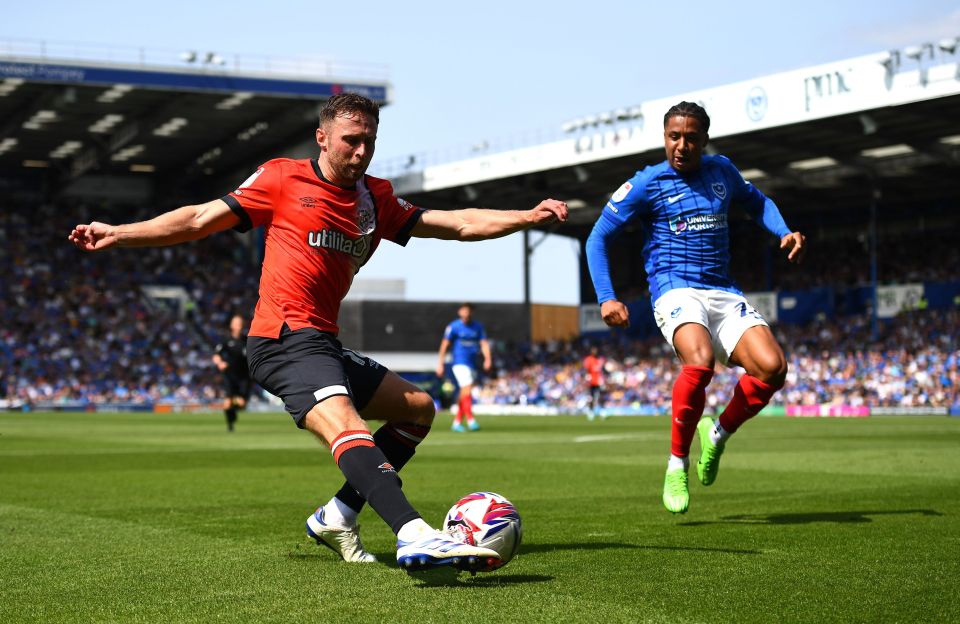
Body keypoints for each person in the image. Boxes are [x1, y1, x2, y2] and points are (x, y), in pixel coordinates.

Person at [69, 92, 568, 571]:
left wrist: (526, 215)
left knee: (417, 409)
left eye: (370, 140)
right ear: (322, 138)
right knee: (346, 424)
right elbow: (200, 218)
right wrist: (121, 233)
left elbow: (457, 223)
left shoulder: (376, 197)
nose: (362, 150)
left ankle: (338, 516)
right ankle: (413, 531)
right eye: (351, 139)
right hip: (281, 338)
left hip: (321, 341)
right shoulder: (282, 178)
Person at [585, 101, 805, 514]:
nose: (681, 145)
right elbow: (598, 237)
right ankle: (675, 464)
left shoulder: (722, 170)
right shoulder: (647, 183)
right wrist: (606, 296)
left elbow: (757, 202)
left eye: (690, 137)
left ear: (703, 138)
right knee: (700, 363)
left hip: (722, 290)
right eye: (673, 137)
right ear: (664, 138)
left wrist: (784, 230)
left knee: (773, 369)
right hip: (674, 289)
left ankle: (717, 434)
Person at [436, 303, 491, 432]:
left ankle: (457, 422)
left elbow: (484, 344)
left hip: (472, 363)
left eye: (468, 311)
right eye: (464, 311)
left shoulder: (478, 327)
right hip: (459, 362)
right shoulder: (453, 327)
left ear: (471, 312)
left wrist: (488, 359)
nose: (466, 313)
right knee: (466, 389)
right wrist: (440, 363)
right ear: (459, 312)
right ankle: (471, 420)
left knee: (464, 392)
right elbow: (444, 345)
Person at [212, 314, 250, 432]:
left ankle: (233, 410)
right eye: (236, 323)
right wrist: (220, 363)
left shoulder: (246, 340)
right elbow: (216, 355)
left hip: (243, 376)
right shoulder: (226, 340)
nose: (238, 325)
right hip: (229, 375)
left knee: (242, 404)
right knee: (227, 403)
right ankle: (230, 426)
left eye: (240, 323)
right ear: (231, 325)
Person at [582, 346, 605, 420]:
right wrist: (587, 378)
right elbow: (586, 370)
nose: (595, 352)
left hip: (598, 382)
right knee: (591, 397)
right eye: (593, 351)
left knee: (599, 397)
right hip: (591, 382)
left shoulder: (600, 359)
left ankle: (602, 412)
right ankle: (591, 412)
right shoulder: (588, 359)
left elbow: (602, 370)